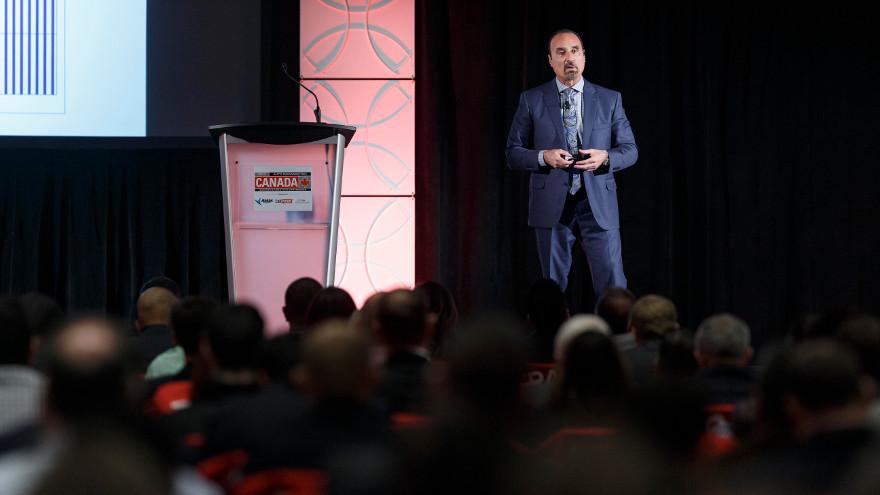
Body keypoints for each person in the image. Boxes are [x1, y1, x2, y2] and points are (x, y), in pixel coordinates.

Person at [506, 28, 638, 297]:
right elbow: (513, 153)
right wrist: (543, 157)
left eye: (575, 51)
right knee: (551, 289)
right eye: (561, 52)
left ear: (584, 56)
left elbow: (630, 150)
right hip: (552, 204)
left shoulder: (609, 99)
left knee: (613, 287)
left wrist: (606, 158)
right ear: (550, 60)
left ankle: (612, 326)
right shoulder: (532, 99)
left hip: (597, 203)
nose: (569, 58)